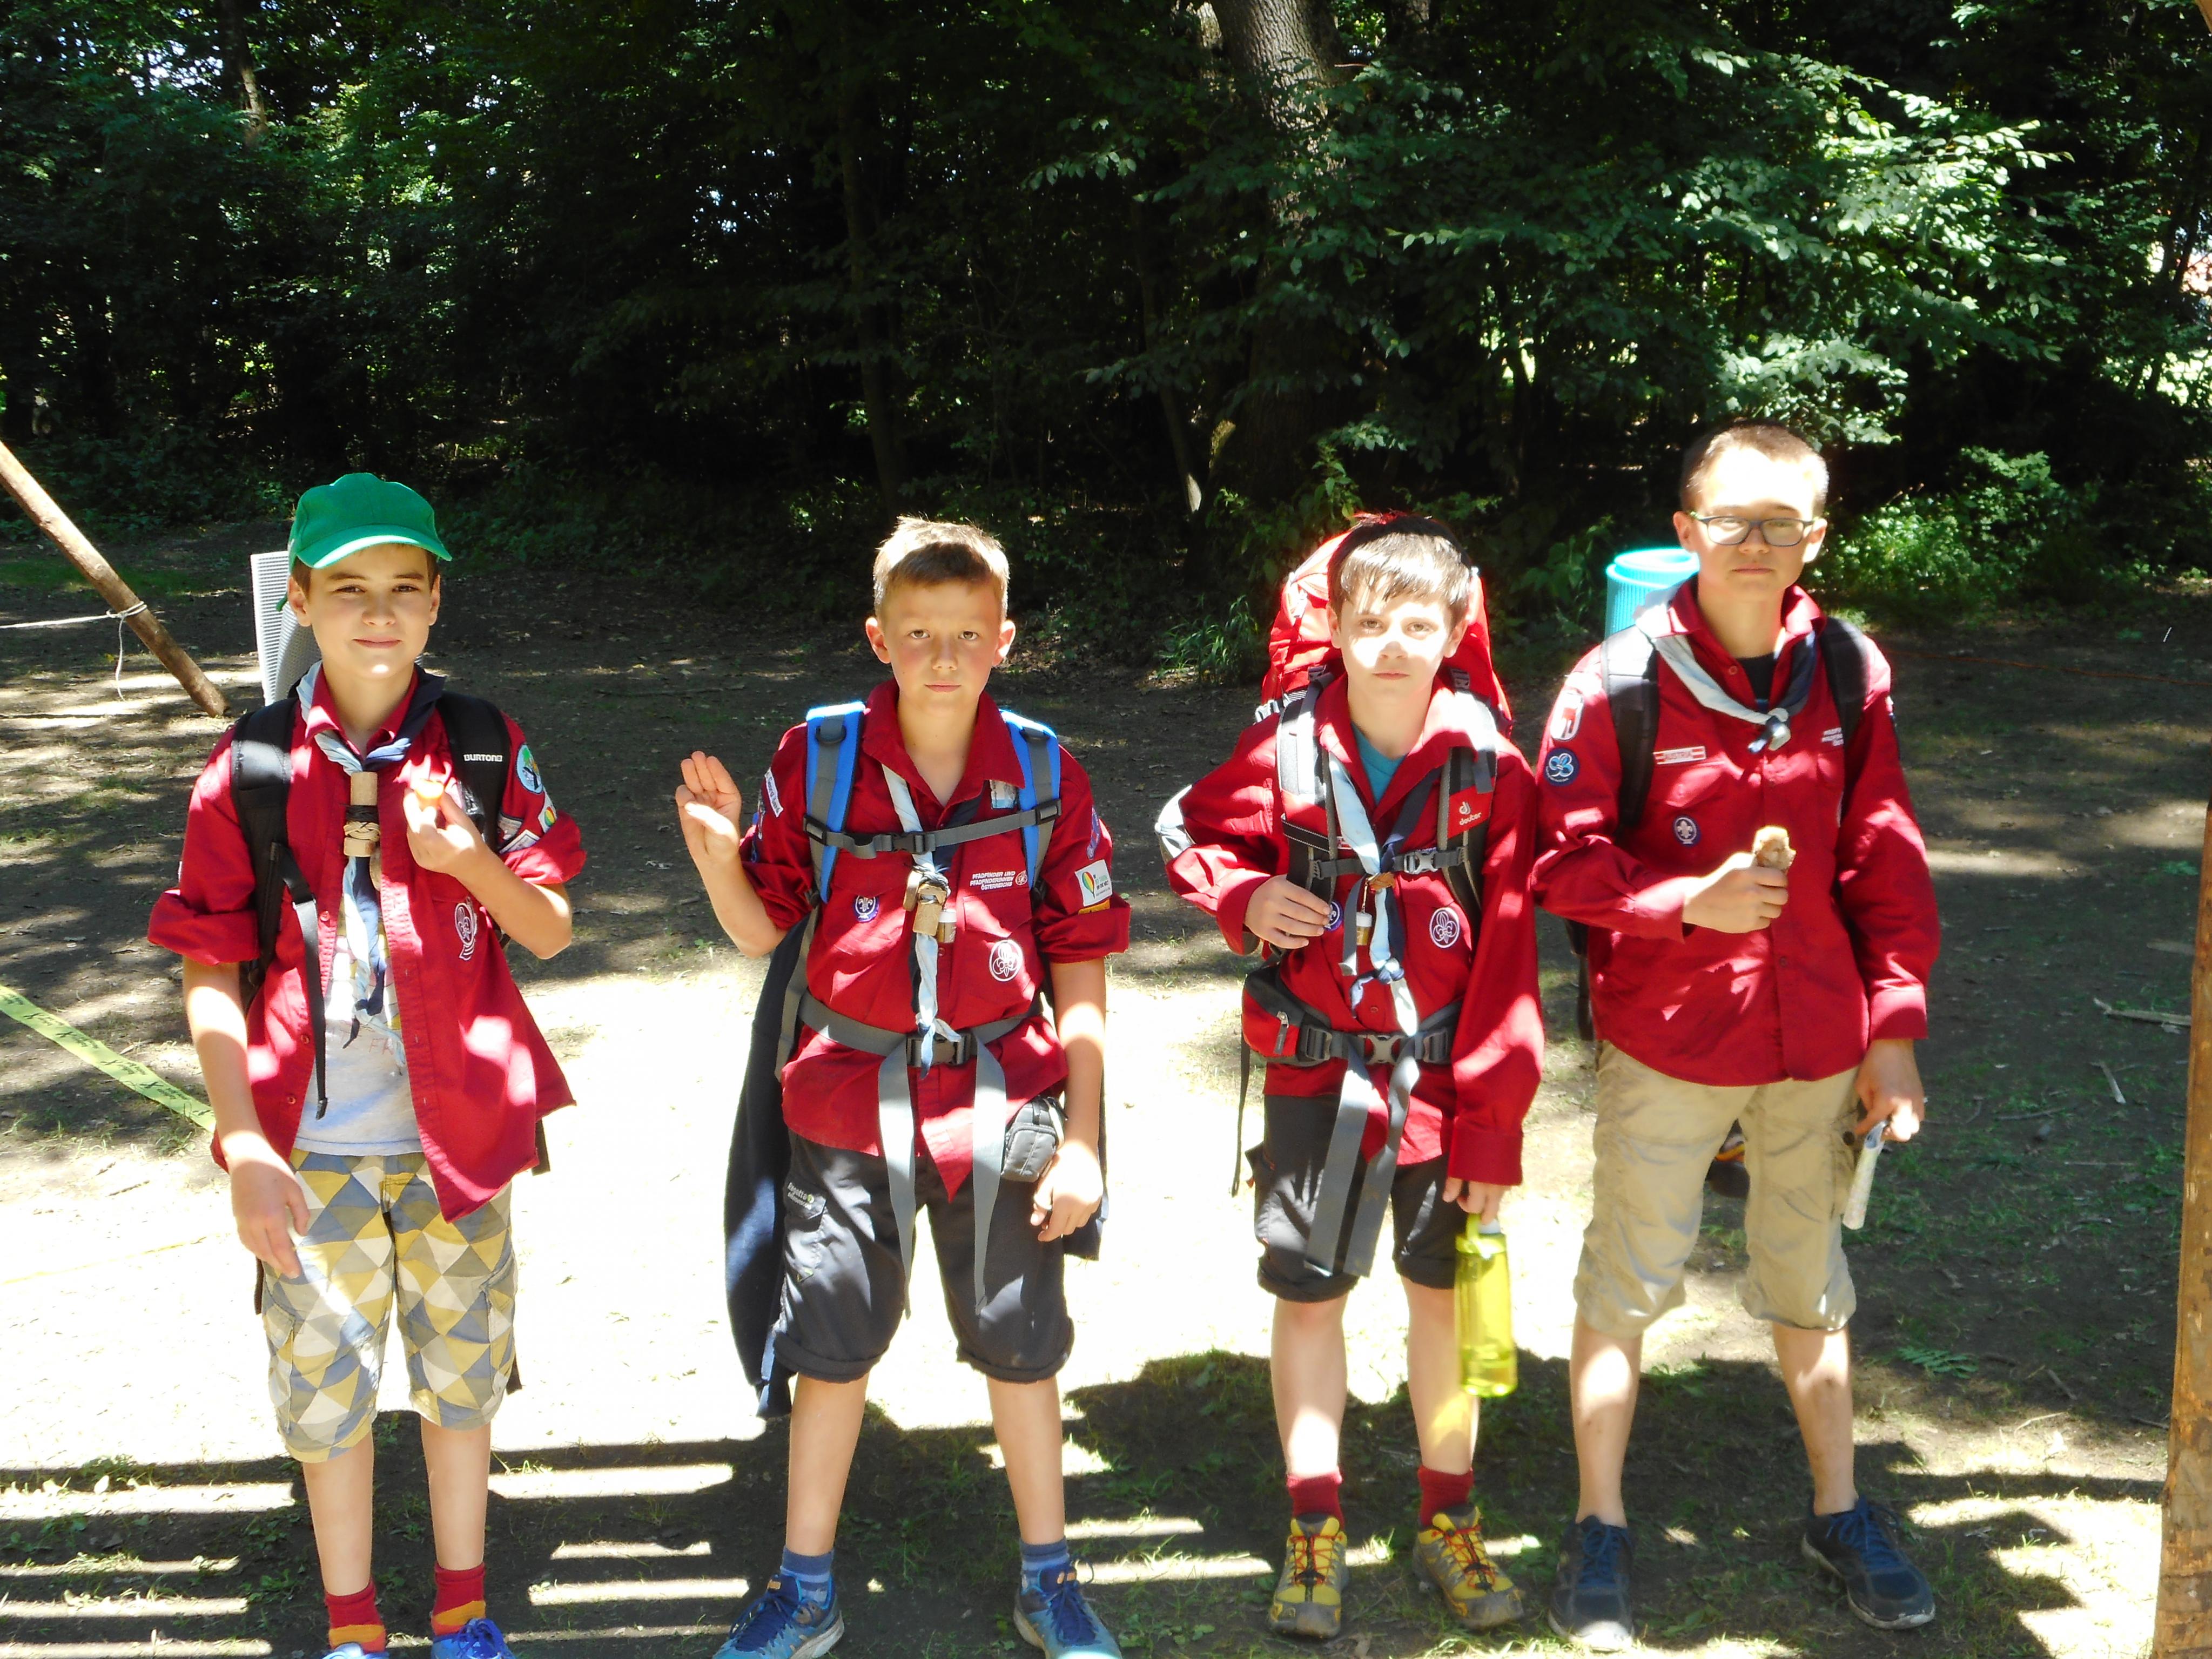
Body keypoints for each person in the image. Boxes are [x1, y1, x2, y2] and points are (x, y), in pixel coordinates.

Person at [675, 518, 1131, 1659]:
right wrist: (718, 857)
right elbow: (761, 930)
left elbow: (1082, 967)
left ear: (1004, 641)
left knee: (1022, 1340)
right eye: (918, 632)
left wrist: (1083, 1140)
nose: (942, 656)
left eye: (968, 634)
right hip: (847, 1104)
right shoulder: (820, 758)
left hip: (1004, 1105)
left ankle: (1051, 1580)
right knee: (830, 1346)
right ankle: (804, 1589)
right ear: (878, 637)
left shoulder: (1045, 771)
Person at [149, 473, 586, 1659]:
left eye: (404, 587)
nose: (378, 613)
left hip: (461, 1146)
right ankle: (354, 1628)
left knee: (463, 1383)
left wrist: (467, 861)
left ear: (437, 601)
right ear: (298, 600)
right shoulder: (249, 768)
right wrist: (244, 1143)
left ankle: (464, 1611)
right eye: (347, 589)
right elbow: (207, 970)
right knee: (325, 1391)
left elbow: (550, 929)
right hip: (309, 1152)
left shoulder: (484, 745)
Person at [1532, 422, 1941, 1647]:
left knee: (1807, 1280)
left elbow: (1882, 856)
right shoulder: (1616, 682)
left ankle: (1839, 1511)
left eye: (1780, 524)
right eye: (1729, 520)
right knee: (1629, 1277)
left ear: (1814, 536)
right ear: (1685, 529)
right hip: (1668, 1038)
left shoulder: (1847, 672)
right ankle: (1600, 1524)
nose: (1753, 544)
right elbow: (1559, 865)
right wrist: (1682, 904)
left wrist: (1894, 1028)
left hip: (1815, 1040)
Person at [1160, 520, 1543, 1641]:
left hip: (1445, 1091)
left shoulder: (1491, 769)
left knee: (1440, 1299)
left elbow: (1511, 958)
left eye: (1418, 624)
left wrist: (1493, 1128)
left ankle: (1447, 1519)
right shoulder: (1281, 749)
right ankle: (1313, 1524)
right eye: (1369, 622)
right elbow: (1190, 831)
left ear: (1457, 631)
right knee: (1309, 1297)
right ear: (1330, 625)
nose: (1391, 645)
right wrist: (1241, 898)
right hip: (1315, 1081)